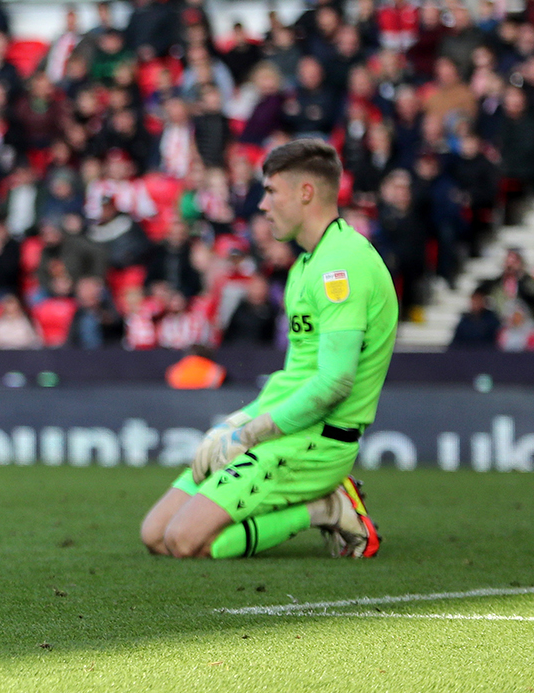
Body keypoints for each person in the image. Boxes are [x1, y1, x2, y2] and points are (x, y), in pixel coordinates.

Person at [140, 139, 397, 560]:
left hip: (315, 441)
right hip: (281, 426)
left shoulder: (341, 267)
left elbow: (334, 383)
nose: (262, 205)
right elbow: (296, 375)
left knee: (185, 542)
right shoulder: (304, 265)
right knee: (154, 534)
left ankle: (326, 507)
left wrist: (250, 433)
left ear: (306, 193)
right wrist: (234, 424)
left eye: (271, 191)